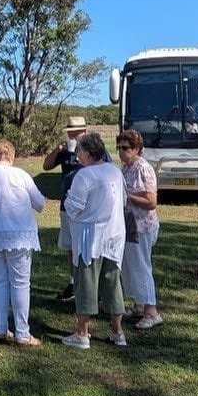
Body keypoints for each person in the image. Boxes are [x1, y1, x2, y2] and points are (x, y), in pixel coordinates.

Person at [59, 132, 128, 350]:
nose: (76, 154)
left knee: (86, 282)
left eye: (79, 150)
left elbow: (73, 206)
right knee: (112, 281)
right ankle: (118, 332)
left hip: (91, 237)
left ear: (88, 153)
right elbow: (123, 200)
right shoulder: (114, 171)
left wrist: (71, 205)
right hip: (114, 235)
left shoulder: (84, 176)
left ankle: (82, 332)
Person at [0, 139, 47, 346]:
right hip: (19, 234)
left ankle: (0, 328)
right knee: (20, 283)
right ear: (11, 156)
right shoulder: (20, 175)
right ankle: (22, 332)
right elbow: (39, 203)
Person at [117, 129, 163, 330]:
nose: (121, 152)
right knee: (131, 266)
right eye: (118, 148)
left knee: (142, 266)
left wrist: (128, 197)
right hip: (130, 225)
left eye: (125, 148)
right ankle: (138, 304)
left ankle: (151, 312)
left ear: (137, 149)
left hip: (143, 225)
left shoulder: (143, 168)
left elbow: (151, 201)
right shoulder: (126, 168)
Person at [43, 115, 91, 301]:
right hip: (66, 204)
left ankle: (89, 285)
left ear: (85, 133)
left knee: (87, 245)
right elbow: (46, 166)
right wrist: (58, 149)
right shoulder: (64, 151)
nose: (74, 136)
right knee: (69, 245)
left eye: (77, 133)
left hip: (87, 206)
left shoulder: (94, 150)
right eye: (71, 133)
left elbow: (107, 169)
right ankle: (73, 282)